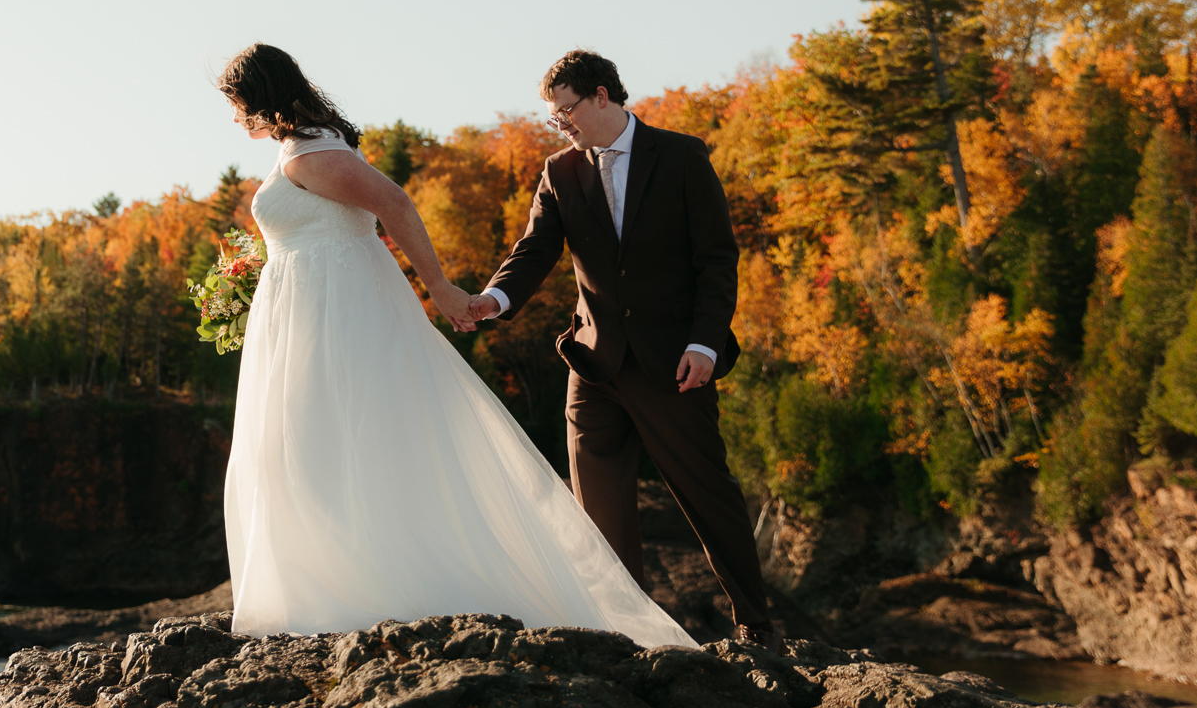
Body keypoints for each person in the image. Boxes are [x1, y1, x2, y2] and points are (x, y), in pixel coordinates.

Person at [216, 43, 693, 647]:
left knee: (320, 444)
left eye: (235, 104)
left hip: (334, 318)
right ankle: (327, 589)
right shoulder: (303, 150)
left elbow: (394, 204)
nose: (234, 118)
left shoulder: (311, 154)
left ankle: (352, 595)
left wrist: (439, 289)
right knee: (313, 448)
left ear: (256, 96)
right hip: (311, 313)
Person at [465, 49, 782, 649]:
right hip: (593, 363)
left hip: (675, 363)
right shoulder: (559, 172)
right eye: (555, 117)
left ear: (603, 96)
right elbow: (535, 252)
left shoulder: (684, 156)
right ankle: (625, 633)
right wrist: (493, 300)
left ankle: (756, 625)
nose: (562, 125)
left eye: (566, 111)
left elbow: (717, 260)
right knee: (598, 507)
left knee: (706, 493)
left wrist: (705, 344)